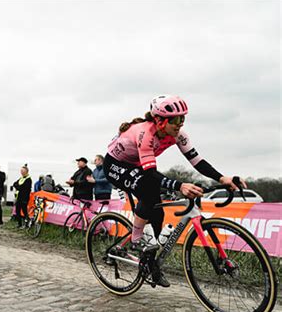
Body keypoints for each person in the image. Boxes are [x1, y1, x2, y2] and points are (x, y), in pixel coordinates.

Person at [104, 94, 246, 287]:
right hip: (116, 165)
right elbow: (151, 173)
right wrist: (180, 185)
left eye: (183, 119)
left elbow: (197, 161)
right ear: (160, 121)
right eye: (176, 119)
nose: (180, 124)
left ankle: (149, 263)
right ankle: (137, 239)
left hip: (136, 165)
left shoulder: (179, 135)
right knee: (148, 191)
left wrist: (223, 178)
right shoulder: (146, 134)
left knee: (157, 211)